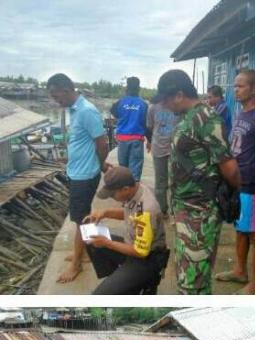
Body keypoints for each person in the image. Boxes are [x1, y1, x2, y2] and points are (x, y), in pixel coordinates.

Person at [158, 69, 241, 295]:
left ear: (179, 94)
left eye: (166, 100)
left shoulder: (206, 118)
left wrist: (236, 193)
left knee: (191, 283)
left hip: (200, 214)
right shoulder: (188, 117)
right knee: (194, 277)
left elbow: (229, 167)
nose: (164, 106)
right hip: (187, 210)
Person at [214, 69, 255, 295]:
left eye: (240, 86)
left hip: (251, 185)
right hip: (237, 183)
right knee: (241, 230)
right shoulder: (241, 113)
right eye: (235, 86)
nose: (236, 90)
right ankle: (240, 271)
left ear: (254, 88)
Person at [47, 73, 109, 283]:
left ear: (66, 89)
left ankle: (76, 265)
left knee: (80, 219)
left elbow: (102, 143)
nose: (56, 101)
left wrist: (101, 165)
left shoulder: (86, 111)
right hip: (78, 171)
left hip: (84, 175)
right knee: (83, 216)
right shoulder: (74, 110)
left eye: (57, 96)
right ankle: (83, 253)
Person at [82, 166, 169, 294]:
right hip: (131, 245)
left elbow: (140, 252)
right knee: (91, 240)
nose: (112, 198)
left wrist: (107, 243)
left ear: (125, 189)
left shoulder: (146, 210)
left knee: (99, 295)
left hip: (147, 260)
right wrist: (105, 213)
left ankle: (144, 282)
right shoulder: (136, 189)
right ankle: (121, 281)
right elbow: (130, 214)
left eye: (113, 194)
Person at [145, 94, 177, 215]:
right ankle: (162, 210)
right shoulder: (152, 108)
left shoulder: (177, 105)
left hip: (176, 149)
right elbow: (149, 128)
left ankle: (176, 211)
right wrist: (149, 142)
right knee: (160, 183)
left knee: (177, 181)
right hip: (158, 148)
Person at [111, 77, 148, 181]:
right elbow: (146, 123)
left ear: (127, 88)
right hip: (137, 139)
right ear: (139, 88)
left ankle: (124, 190)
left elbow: (113, 111)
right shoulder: (143, 104)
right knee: (135, 168)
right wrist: (149, 140)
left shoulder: (120, 102)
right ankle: (133, 192)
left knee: (123, 167)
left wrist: (123, 118)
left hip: (122, 139)